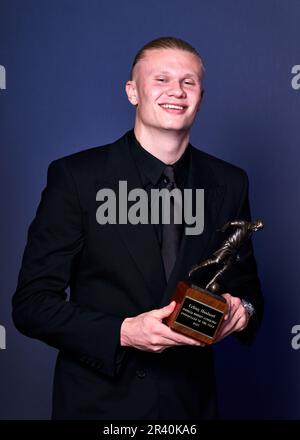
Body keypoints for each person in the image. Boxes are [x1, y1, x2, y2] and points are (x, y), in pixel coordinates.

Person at [12, 37, 263, 420]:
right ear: (133, 92)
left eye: (188, 81)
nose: (176, 91)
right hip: (98, 405)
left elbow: (249, 291)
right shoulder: (77, 178)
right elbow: (31, 305)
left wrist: (240, 310)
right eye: (161, 79)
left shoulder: (230, 183)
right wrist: (123, 332)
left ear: (201, 95)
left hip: (190, 407)